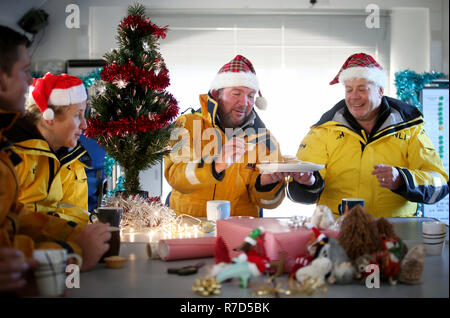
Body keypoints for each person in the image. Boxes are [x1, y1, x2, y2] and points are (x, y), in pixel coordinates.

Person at [0, 25, 110, 293]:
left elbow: (17, 219)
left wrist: (80, 237)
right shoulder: (14, 156)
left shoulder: (76, 159)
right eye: (25, 70)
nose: (30, 81)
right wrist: (74, 252)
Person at [286, 52, 449, 218]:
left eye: (362, 89)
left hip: (395, 233)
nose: (354, 97)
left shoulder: (410, 129)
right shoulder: (323, 130)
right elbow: (297, 193)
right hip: (338, 232)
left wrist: (402, 179)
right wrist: (308, 182)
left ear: (380, 91)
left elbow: (440, 185)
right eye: (348, 90)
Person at [165, 55, 287, 217]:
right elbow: (175, 177)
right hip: (188, 225)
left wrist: (265, 185)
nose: (244, 103)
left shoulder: (265, 139)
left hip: (240, 231)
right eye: (236, 93)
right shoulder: (184, 125)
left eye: (251, 96)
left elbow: (270, 203)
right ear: (216, 94)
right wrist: (215, 165)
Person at [5, 72, 92, 226]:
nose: (84, 125)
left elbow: (79, 218)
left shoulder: (73, 162)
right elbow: (9, 221)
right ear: (48, 117)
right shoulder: (13, 156)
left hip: (62, 246)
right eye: (78, 115)